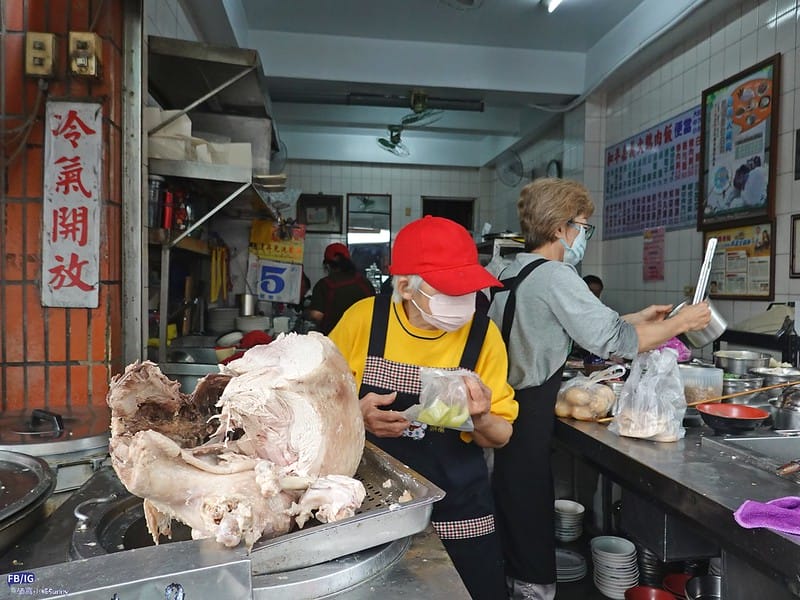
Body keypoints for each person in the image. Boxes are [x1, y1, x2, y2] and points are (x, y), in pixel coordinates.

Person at [485, 178, 712, 600]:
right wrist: (682, 323)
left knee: (511, 494)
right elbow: (615, 342)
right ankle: (532, 588)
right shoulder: (557, 274)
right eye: (583, 227)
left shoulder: (508, 269)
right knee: (529, 497)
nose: (584, 237)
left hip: (500, 403)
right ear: (560, 228)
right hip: (530, 405)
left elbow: (570, 329)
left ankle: (512, 579)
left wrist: (641, 316)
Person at [328, 216, 519, 600]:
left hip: (459, 506)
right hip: (370, 504)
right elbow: (316, 406)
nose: (464, 303)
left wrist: (480, 416)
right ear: (405, 286)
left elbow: (501, 436)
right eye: (450, 290)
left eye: (469, 290)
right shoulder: (365, 320)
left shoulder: (484, 336)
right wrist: (356, 415)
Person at [306, 243, 375, 334]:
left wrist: (306, 313)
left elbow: (316, 315)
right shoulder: (365, 283)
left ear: (327, 265)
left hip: (333, 340)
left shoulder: (324, 285)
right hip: (362, 339)